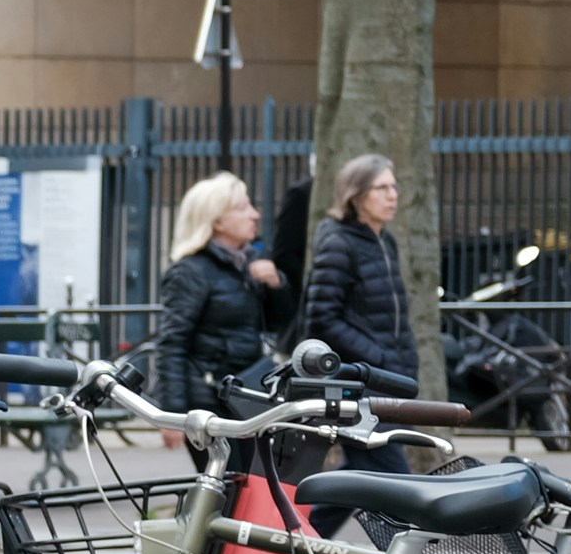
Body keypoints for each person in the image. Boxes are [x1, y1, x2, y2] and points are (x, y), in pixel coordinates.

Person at [145, 172, 286, 411]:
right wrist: (173, 412)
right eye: (243, 208)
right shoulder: (191, 271)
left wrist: (277, 285)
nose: (255, 214)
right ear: (217, 220)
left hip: (245, 392)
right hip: (209, 400)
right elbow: (172, 344)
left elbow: (278, 323)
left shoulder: (247, 264)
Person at [299, 155, 422, 396]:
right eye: (382, 188)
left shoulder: (385, 241)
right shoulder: (338, 244)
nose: (393, 195)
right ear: (356, 196)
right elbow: (321, 318)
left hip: (393, 374)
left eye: (394, 186)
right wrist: (377, 356)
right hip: (360, 378)